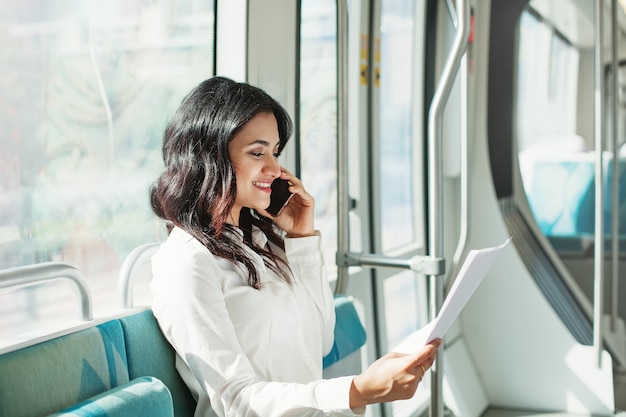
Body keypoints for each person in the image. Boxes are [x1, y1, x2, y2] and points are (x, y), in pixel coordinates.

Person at [149, 76, 441, 417]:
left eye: (275, 152)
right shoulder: (187, 262)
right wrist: (358, 391)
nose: (275, 169)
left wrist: (302, 240)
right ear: (210, 157)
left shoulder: (256, 244)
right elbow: (237, 400)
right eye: (257, 152)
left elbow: (320, 342)